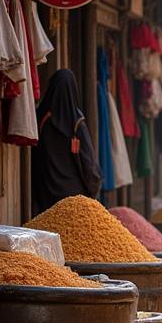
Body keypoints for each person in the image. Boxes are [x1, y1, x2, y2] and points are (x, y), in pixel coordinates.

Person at [32, 68, 102, 214]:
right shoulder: (77, 123)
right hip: (74, 198)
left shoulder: (40, 119)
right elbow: (88, 162)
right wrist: (94, 188)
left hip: (46, 195)